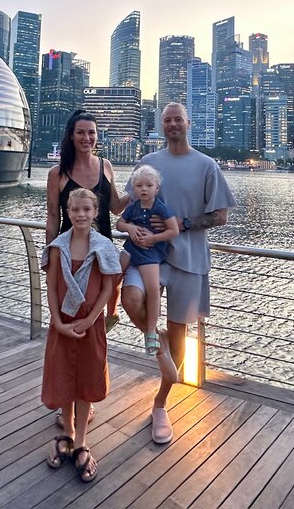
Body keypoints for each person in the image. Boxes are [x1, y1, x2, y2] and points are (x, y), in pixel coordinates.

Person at [121, 102, 236, 445]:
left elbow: (220, 217)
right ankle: (158, 351)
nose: (172, 124)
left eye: (177, 119)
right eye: (166, 120)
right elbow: (123, 206)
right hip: (148, 257)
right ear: (161, 125)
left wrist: (184, 223)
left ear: (188, 123)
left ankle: (161, 404)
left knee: (178, 329)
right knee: (130, 299)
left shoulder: (207, 165)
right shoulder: (148, 163)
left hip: (190, 260)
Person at [45, 109, 128, 430]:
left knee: (94, 335)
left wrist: (143, 190)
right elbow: (53, 216)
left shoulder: (105, 166)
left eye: (92, 132)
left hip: (102, 257)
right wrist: (49, 255)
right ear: (71, 135)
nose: (87, 138)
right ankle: (66, 401)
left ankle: (86, 400)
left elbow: (115, 206)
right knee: (68, 331)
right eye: (81, 132)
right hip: (71, 259)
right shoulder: (58, 173)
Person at [41, 189, 121, 483]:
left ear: (95, 211)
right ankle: (67, 434)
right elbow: (51, 286)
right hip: (62, 323)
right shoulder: (57, 247)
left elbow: (107, 288)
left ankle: (82, 441)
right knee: (64, 377)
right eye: (74, 209)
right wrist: (57, 321)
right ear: (68, 211)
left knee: (87, 378)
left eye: (86, 209)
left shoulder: (102, 246)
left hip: (90, 325)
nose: (80, 214)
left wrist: (90, 319)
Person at [116, 164, 179, 356]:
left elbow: (173, 230)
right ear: (134, 188)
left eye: (149, 185)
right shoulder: (133, 206)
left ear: (156, 188)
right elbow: (119, 223)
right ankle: (110, 312)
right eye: (139, 186)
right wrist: (130, 229)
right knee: (112, 274)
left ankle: (151, 331)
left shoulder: (160, 208)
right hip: (131, 248)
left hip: (150, 253)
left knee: (153, 289)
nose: (144, 189)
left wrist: (153, 239)